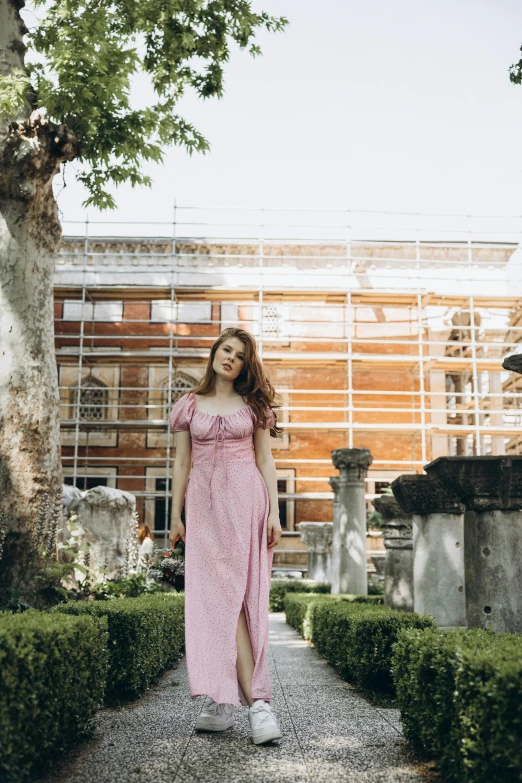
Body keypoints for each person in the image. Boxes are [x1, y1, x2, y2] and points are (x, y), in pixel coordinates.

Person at [168, 327, 283, 745]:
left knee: (241, 595)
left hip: (244, 500)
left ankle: (257, 703)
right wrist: (175, 515)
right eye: (226, 349)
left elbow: (265, 460)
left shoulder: (253, 407)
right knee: (209, 597)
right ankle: (222, 699)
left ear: (244, 366)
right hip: (202, 507)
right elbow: (181, 464)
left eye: (239, 355)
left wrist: (273, 511)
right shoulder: (187, 406)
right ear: (214, 352)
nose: (230, 358)